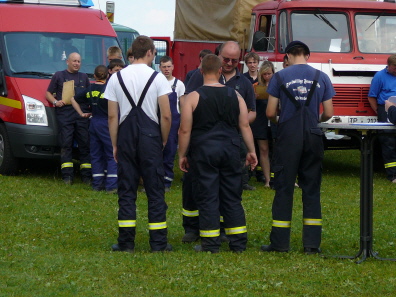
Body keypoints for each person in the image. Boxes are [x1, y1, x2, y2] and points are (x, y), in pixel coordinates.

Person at [178, 54, 258, 253]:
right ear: (221, 71)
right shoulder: (236, 96)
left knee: (208, 196)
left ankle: (211, 244)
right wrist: (251, 151)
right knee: (232, 196)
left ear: (201, 71)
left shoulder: (192, 97)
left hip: (204, 151)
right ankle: (238, 243)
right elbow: (245, 125)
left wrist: (182, 154)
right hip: (231, 150)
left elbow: (185, 130)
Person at [261, 41, 334, 254]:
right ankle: (312, 244)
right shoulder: (322, 77)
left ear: (288, 56)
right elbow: (328, 112)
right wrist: (315, 121)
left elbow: (269, 112)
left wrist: (281, 122)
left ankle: (280, 243)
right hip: (313, 135)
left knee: (284, 188)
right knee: (311, 188)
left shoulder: (280, 77)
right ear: (308, 56)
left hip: (288, 137)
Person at [106, 36, 172, 253]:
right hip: (150, 137)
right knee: (155, 190)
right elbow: (166, 116)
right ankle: (159, 244)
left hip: (125, 136)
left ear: (132, 52)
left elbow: (112, 117)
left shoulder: (116, 78)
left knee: (126, 190)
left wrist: (115, 144)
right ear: (151, 53)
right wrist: (162, 139)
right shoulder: (158, 78)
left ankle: (126, 243)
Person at [70, 65, 117, 194]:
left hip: (94, 122)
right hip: (107, 122)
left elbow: (73, 99)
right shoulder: (109, 89)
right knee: (111, 153)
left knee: (96, 154)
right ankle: (111, 185)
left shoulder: (90, 89)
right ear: (108, 75)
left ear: (94, 76)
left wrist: (81, 113)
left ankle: (97, 184)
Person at [46, 52, 91, 185]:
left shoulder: (84, 77)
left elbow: (88, 95)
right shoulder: (59, 75)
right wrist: (55, 102)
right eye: (74, 61)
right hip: (65, 114)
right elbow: (48, 93)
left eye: (79, 61)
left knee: (84, 144)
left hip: (81, 115)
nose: (76, 63)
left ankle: (87, 177)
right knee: (66, 145)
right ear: (67, 62)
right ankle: (67, 176)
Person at [368, 55, 396, 183]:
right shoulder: (379, 76)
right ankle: (393, 175)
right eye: (394, 68)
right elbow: (372, 97)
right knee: (388, 142)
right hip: (385, 111)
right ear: (388, 65)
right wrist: (379, 112)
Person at [159, 56, 185, 192]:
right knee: (156, 152)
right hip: (159, 121)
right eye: (164, 66)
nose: (166, 69)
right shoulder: (156, 83)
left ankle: (167, 180)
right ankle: (155, 179)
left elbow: (183, 105)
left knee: (169, 151)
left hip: (174, 122)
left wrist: (182, 125)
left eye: (168, 66)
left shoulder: (179, 84)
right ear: (159, 68)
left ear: (173, 67)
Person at [251, 61, 275, 188]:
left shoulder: (278, 85)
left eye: (269, 74)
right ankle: (267, 180)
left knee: (279, 149)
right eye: (264, 74)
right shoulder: (255, 86)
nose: (267, 76)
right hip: (260, 121)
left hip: (275, 121)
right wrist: (252, 97)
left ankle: (283, 177)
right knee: (263, 149)